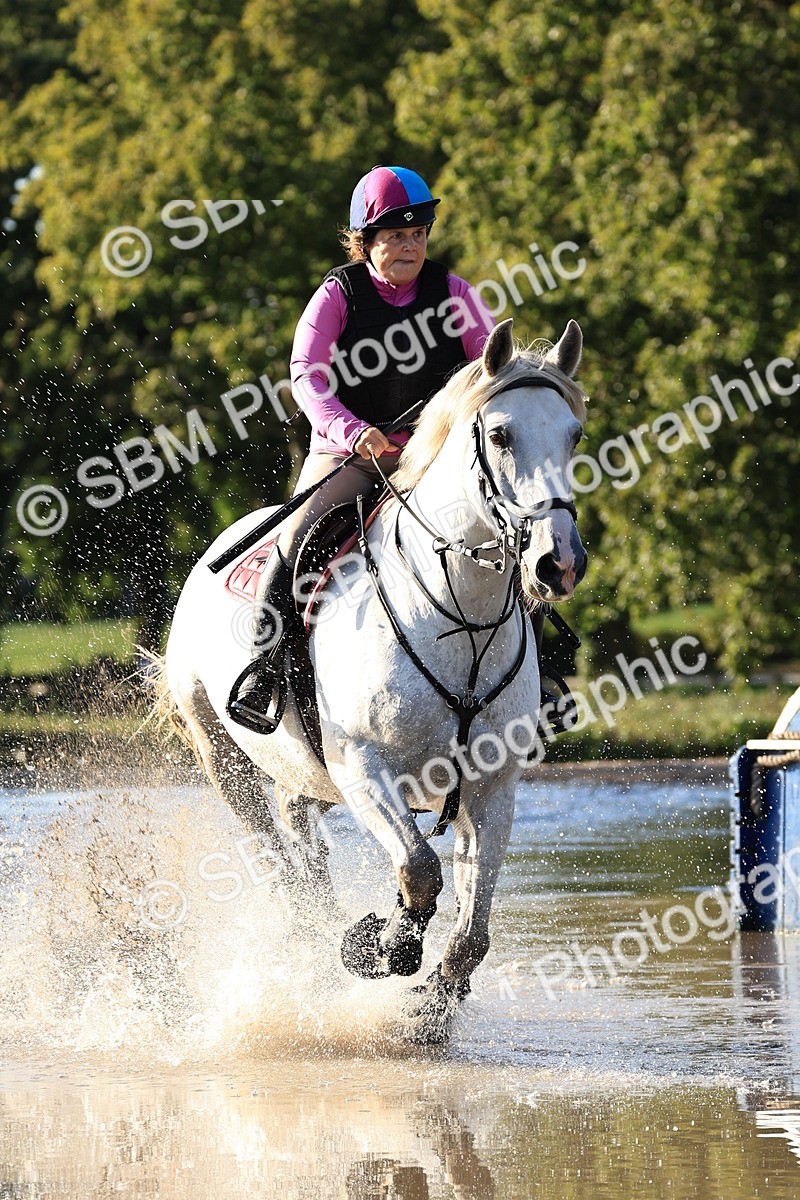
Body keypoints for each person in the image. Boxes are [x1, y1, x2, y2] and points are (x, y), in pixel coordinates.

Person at [227, 165, 495, 733]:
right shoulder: (336, 296)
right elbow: (307, 377)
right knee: (296, 538)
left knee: (510, 526)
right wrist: (354, 432)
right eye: (396, 235)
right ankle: (262, 668)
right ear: (365, 240)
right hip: (347, 455)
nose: (410, 245)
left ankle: (539, 676)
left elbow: (490, 371)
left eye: (418, 233)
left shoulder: (454, 294)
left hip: (428, 457)